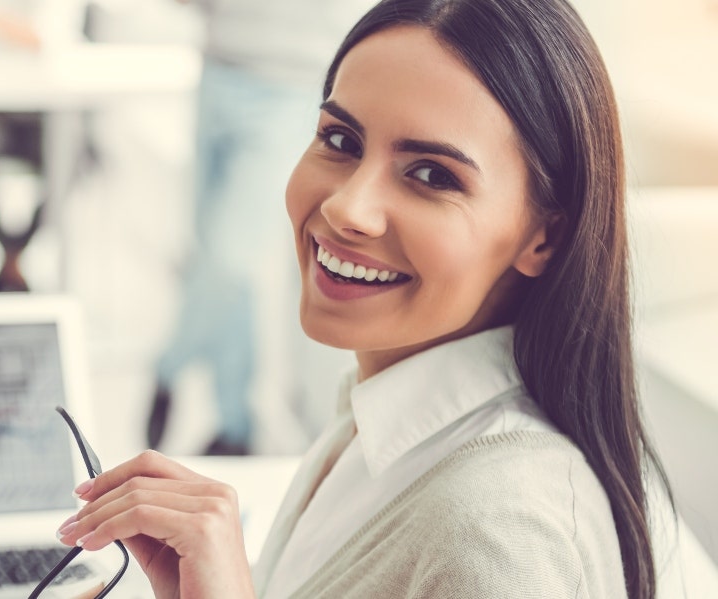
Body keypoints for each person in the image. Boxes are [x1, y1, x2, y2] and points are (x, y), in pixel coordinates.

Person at [57, 0, 673, 597]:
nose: (345, 207)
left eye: (432, 175)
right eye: (341, 140)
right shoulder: (381, 416)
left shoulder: (498, 536)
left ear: (543, 238)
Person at [145, 0, 372, 456]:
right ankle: (235, 425)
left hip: (292, 83)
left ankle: (170, 365)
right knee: (211, 258)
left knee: (232, 263)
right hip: (216, 67)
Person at [0, 0, 86, 293]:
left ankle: (19, 251)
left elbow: (48, 39)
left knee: (72, 153)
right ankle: (11, 250)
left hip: (45, 113)